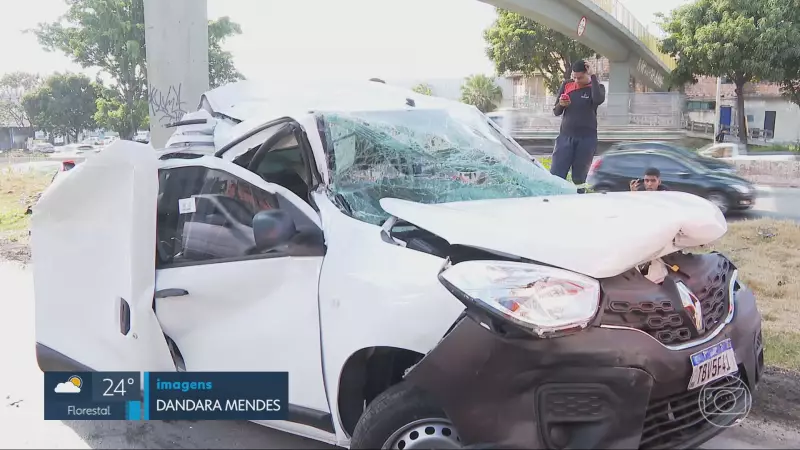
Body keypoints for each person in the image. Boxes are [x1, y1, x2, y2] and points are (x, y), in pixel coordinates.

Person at [551, 60, 606, 193]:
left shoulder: (597, 87)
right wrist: (561, 104)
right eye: (574, 77)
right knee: (556, 175)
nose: (576, 80)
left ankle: (578, 202)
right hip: (565, 137)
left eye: (580, 77)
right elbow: (556, 111)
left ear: (588, 74)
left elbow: (598, 100)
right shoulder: (567, 85)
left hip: (587, 140)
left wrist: (593, 76)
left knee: (579, 178)